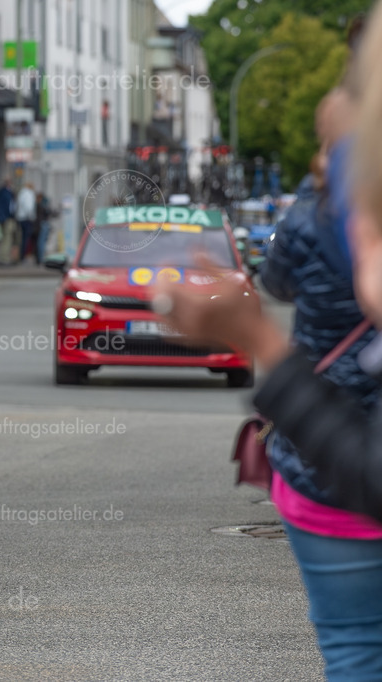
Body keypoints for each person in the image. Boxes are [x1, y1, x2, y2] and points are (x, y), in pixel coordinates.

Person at [152, 19, 382, 670]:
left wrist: (257, 338)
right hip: (335, 461)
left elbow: (276, 278)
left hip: (327, 475)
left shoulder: (315, 211)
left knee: (357, 652)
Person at [0, 178, 16, 265]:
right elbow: (8, 207)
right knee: (7, 238)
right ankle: (4, 258)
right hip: (6, 218)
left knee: (6, 238)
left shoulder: (1, 192)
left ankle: (4, 257)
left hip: (4, 218)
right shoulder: (6, 193)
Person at [16, 182, 37, 263]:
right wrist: (31, 216)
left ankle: (21, 256)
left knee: (22, 238)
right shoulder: (29, 194)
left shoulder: (21, 193)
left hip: (21, 217)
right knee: (26, 238)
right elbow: (29, 207)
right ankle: (23, 256)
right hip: (27, 218)